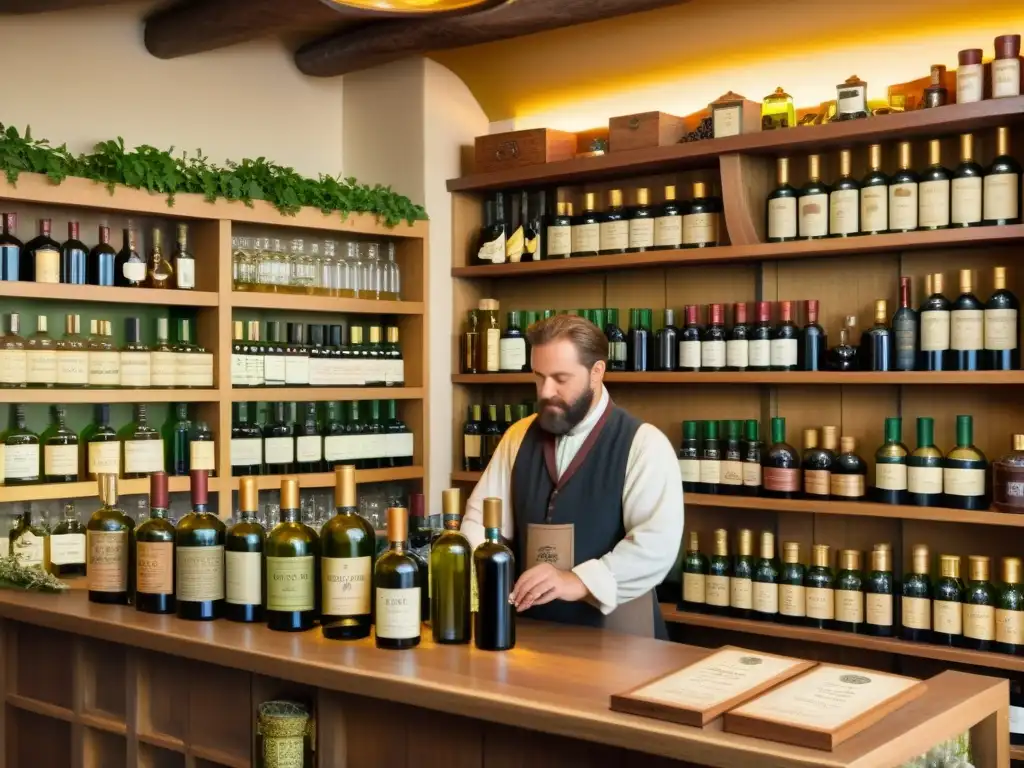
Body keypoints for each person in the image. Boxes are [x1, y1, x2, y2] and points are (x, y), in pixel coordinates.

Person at [461, 313, 684, 638]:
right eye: (539, 377)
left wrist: (578, 580)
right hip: (530, 634)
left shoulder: (644, 444)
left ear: (596, 372)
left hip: (620, 638)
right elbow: (482, 522)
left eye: (560, 378)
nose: (546, 391)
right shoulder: (518, 436)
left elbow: (655, 546)